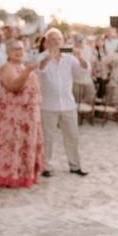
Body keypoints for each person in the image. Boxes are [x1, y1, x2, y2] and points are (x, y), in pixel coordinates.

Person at [0, 40, 44, 187]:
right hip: (13, 117)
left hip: (29, 116)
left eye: (20, 49)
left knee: (25, 146)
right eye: (14, 49)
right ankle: (9, 177)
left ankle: (24, 176)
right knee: (13, 146)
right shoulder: (7, 67)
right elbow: (14, 86)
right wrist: (27, 71)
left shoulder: (23, 66)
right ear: (7, 52)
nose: (18, 52)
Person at [38, 28, 89, 177]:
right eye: (53, 40)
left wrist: (81, 58)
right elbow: (39, 71)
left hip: (68, 104)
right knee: (48, 138)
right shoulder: (42, 57)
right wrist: (49, 57)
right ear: (47, 42)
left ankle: (75, 166)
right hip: (48, 105)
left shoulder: (69, 58)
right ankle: (46, 166)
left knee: (73, 136)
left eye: (59, 39)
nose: (56, 42)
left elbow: (83, 71)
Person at [71, 34, 96, 105]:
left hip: (87, 79)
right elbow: (60, 50)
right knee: (76, 101)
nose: (80, 42)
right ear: (74, 41)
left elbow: (90, 62)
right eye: (78, 41)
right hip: (75, 80)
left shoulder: (88, 49)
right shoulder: (69, 49)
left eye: (81, 41)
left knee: (90, 99)